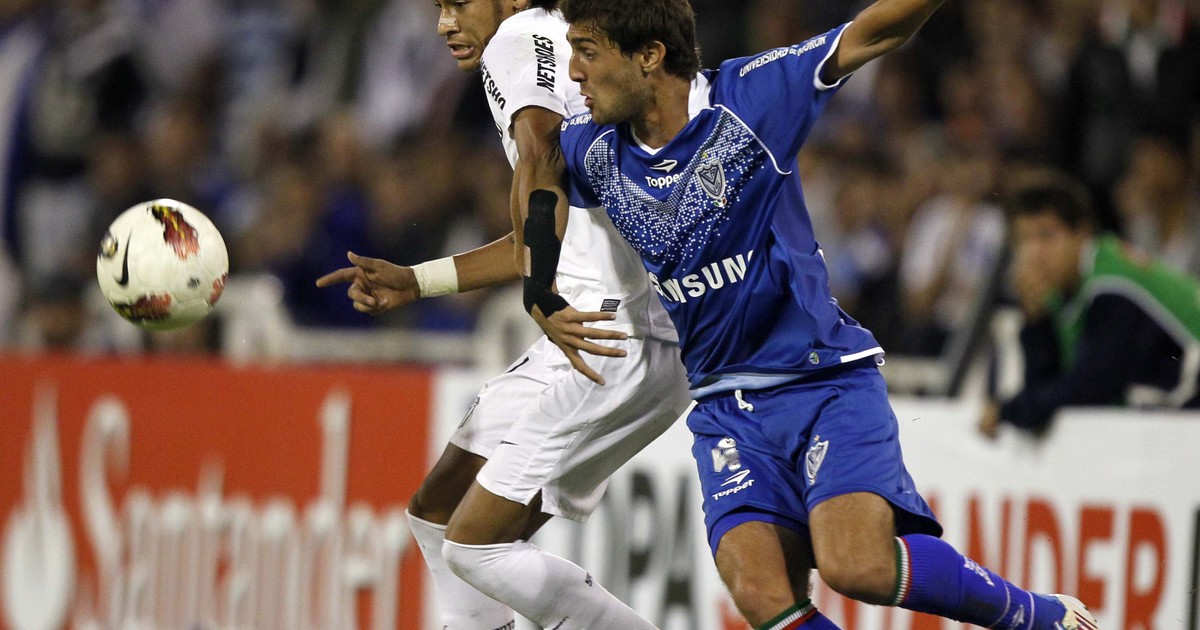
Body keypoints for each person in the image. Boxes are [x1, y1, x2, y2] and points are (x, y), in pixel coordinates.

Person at [520, 0, 1103, 628]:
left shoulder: (749, 99)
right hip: (723, 405)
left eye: (588, 52)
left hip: (820, 380)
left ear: (650, 56)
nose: (574, 72)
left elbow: (873, 32)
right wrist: (536, 286)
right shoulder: (595, 147)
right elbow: (541, 172)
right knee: (758, 591)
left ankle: (1041, 617)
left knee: (857, 566)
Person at [316, 1, 691, 628]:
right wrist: (418, 280)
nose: (445, 24)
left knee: (474, 545)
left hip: (611, 334)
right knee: (436, 512)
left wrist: (538, 293)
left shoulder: (519, 36)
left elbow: (539, 153)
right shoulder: (555, 48)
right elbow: (536, 235)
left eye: (460, 3)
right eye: (439, 7)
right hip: (586, 322)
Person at [979, 171, 1200, 438]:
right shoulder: (1062, 291)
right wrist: (1036, 321)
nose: (1034, 253)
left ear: (1083, 233)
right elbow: (1048, 387)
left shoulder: (1113, 282)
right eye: (1023, 239)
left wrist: (1007, 411)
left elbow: (1087, 390)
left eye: (1047, 235)